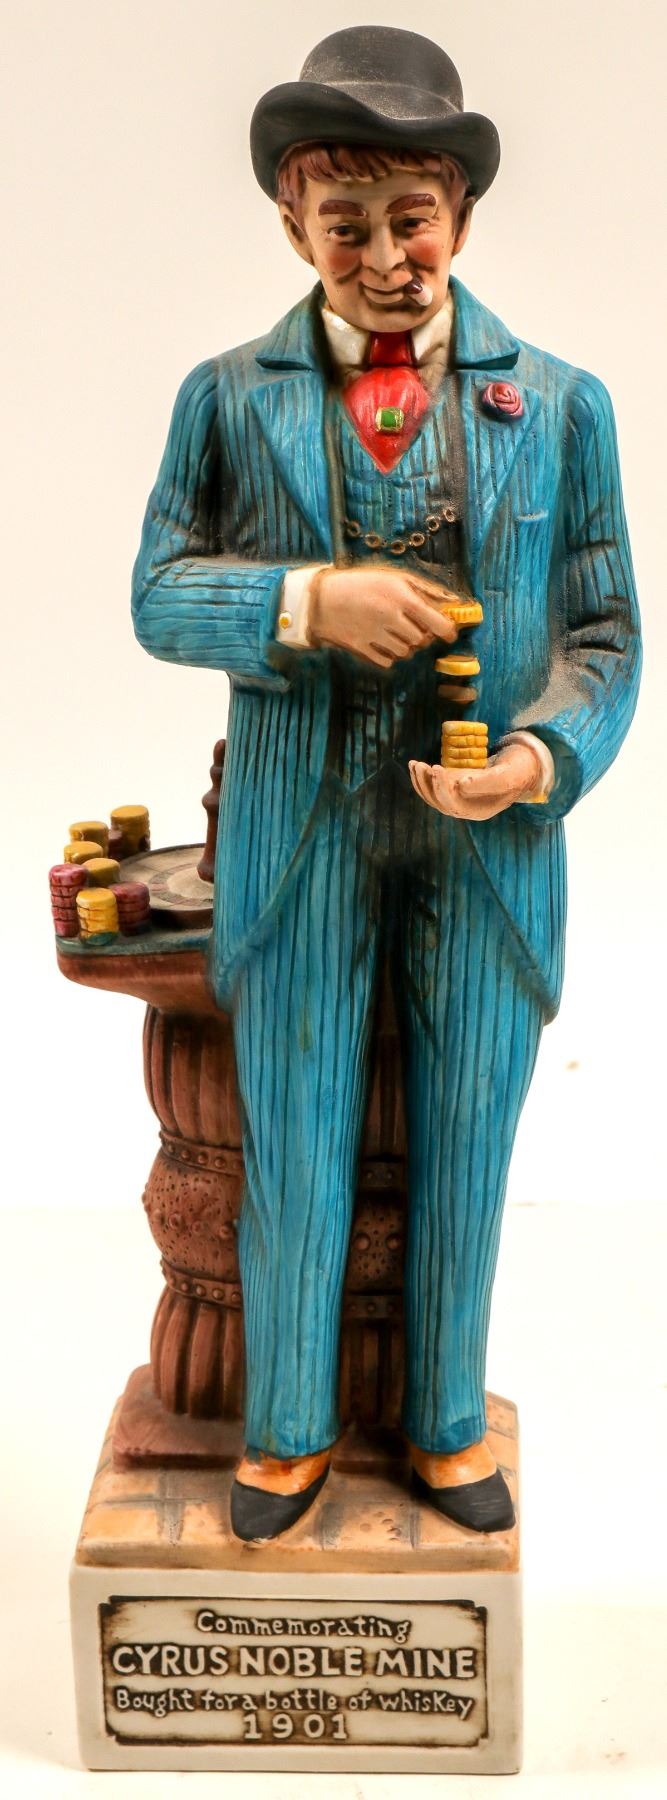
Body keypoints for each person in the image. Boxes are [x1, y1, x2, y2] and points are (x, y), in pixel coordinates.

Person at [131, 27, 641, 1541]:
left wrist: (541, 758)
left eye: (411, 219)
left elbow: (608, 631)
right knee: (293, 1133)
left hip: (486, 842)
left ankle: (444, 1419)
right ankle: (286, 1430)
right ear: (294, 227)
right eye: (344, 224)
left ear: (460, 217)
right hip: (302, 830)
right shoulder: (228, 398)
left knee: (470, 1140)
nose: (384, 257)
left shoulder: (561, 404)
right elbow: (160, 591)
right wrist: (304, 603)